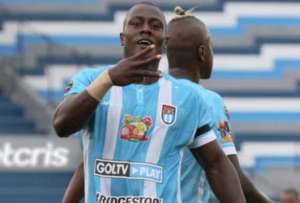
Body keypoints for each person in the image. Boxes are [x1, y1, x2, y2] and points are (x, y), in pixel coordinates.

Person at [54, 2, 246, 203]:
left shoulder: (186, 97)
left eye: (155, 26)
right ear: (122, 38)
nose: (145, 29)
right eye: (136, 24)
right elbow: (62, 125)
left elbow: (216, 163)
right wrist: (108, 79)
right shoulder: (90, 79)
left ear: (165, 42)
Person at [166, 7, 273, 203]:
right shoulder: (206, 100)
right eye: (211, 46)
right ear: (202, 52)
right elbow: (232, 176)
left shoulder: (151, 91)